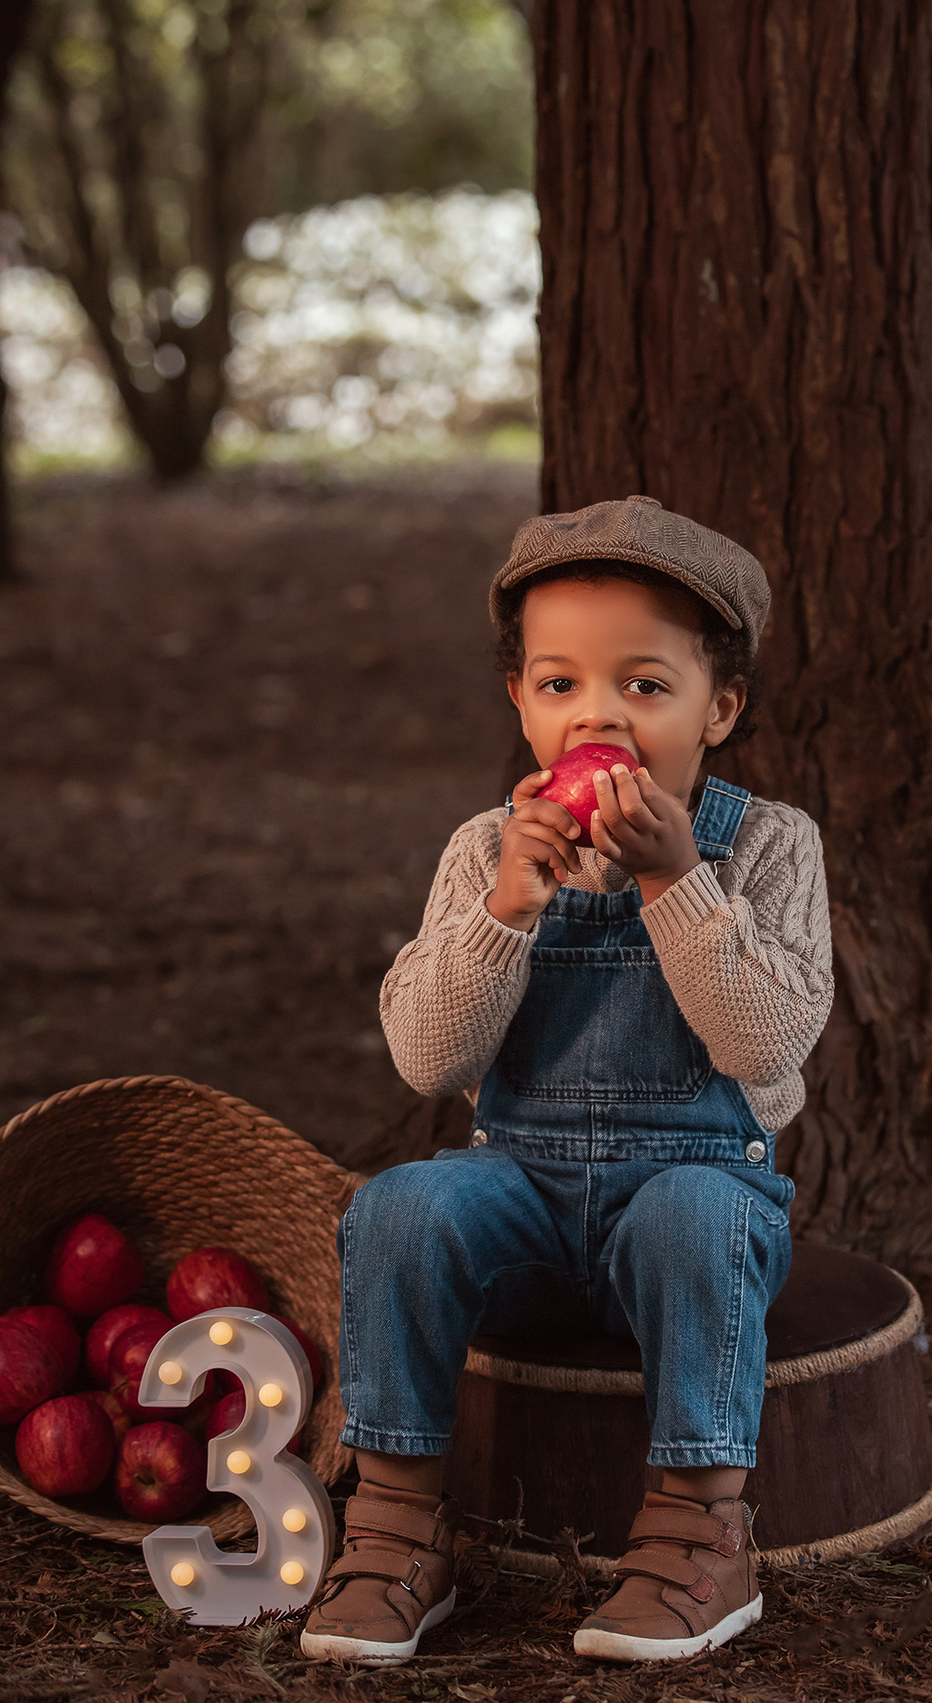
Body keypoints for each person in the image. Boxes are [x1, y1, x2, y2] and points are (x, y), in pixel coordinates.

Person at [301, 495, 834, 1667]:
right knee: (401, 1206)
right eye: (561, 686)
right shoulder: (485, 852)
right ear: (520, 701)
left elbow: (766, 1044)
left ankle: (701, 1537)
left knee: (697, 1214)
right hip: (526, 1198)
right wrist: (506, 911)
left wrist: (676, 885)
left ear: (721, 710)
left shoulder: (768, 846)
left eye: (645, 686)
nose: (599, 714)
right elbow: (430, 1060)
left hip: (692, 1194)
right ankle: (395, 1529)